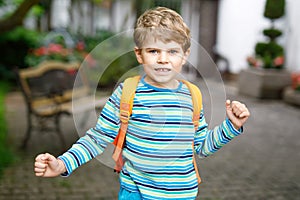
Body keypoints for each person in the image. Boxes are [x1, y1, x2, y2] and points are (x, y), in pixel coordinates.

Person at [34, 7, 250, 200]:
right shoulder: (127, 93)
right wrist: (63, 164)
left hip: (182, 194)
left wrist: (231, 126)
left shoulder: (192, 96)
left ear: (184, 56)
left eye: (172, 51)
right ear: (140, 54)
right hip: (135, 193)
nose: (163, 59)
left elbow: (202, 147)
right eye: (154, 51)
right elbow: (97, 138)